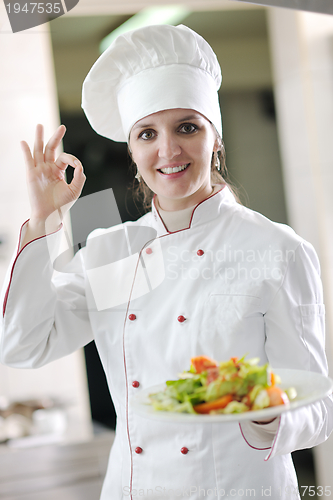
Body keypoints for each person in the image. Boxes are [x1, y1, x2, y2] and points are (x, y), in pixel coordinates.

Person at [0, 24, 332, 500]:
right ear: (132, 152)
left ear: (214, 138)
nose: (168, 150)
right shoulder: (118, 252)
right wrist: (44, 219)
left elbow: (319, 411)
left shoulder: (274, 250)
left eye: (187, 127)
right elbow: (24, 346)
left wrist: (264, 414)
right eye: (147, 134)